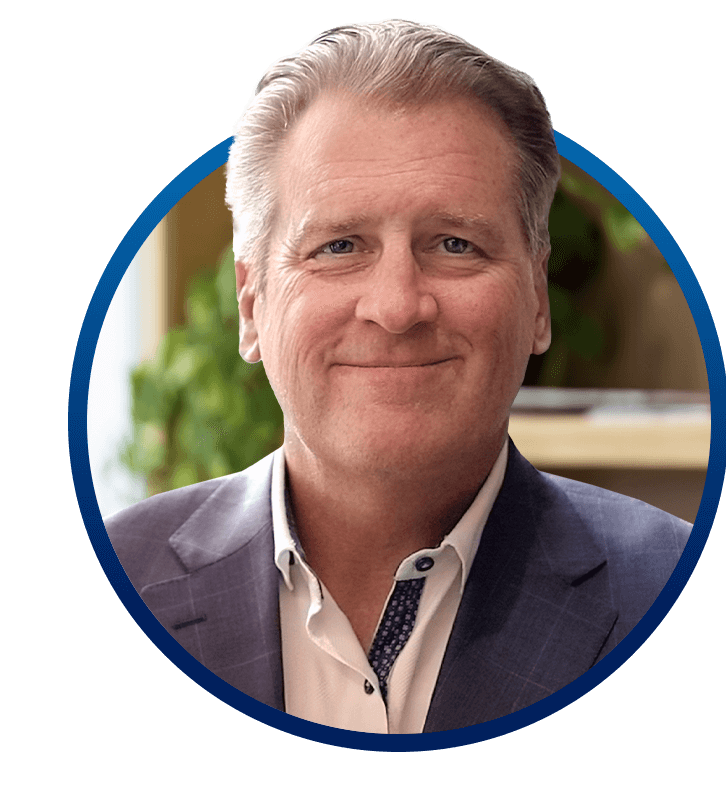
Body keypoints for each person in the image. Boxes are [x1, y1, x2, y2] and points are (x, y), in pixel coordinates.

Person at [105, 19, 691, 734]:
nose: (395, 306)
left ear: (536, 299)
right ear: (251, 305)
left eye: (454, 244)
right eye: (338, 245)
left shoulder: (666, 580)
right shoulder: (122, 572)